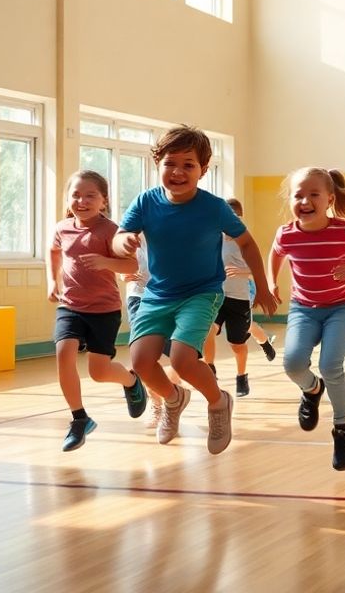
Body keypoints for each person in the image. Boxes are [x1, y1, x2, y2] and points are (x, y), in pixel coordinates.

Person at [114, 126, 276, 452]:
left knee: (183, 359)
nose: (178, 171)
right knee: (142, 361)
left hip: (202, 292)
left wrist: (262, 286)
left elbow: (246, 242)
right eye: (170, 163)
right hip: (157, 294)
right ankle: (174, 400)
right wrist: (124, 242)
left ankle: (218, 403)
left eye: (188, 165)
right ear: (157, 164)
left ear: (202, 171)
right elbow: (120, 236)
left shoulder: (214, 207)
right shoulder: (146, 202)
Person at [268, 167, 345, 470]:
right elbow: (276, 252)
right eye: (298, 195)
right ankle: (312, 389)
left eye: (313, 195)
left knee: (330, 365)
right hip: (304, 308)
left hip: (343, 307)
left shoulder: (343, 231)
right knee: (293, 363)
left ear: (329, 199)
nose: (305, 201)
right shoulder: (287, 233)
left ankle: (343, 428)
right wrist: (271, 282)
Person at [48, 170, 145, 451]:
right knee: (63, 351)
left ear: (103, 201)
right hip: (71, 306)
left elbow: (132, 266)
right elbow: (53, 251)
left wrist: (106, 262)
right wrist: (52, 279)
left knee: (99, 372)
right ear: (67, 200)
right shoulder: (62, 228)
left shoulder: (111, 230)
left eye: (91, 195)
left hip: (104, 309)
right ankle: (79, 418)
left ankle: (130, 380)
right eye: (76, 195)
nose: (82, 200)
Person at [204, 198, 278, 398]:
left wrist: (242, 271)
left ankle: (242, 375)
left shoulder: (243, 240)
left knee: (238, 343)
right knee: (208, 331)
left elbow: (256, 269)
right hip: (217, 296)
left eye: (235, 217)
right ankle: (210, 370)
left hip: (240, 296)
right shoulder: (214, 239)